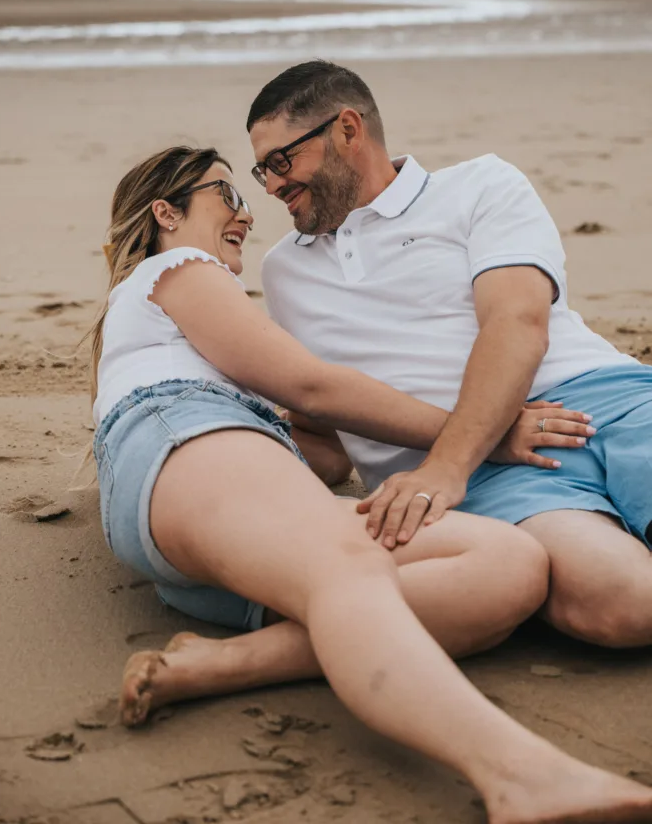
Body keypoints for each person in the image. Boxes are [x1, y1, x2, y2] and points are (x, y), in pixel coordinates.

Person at [91, 145, 652, 822]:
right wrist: (477, 431)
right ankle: (520, 777)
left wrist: (326, 435)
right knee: (349, 572)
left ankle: (227, 661)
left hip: (202, 494)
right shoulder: (182, 267)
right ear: (165, 213)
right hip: (190, 437)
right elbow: (310, 385)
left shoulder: (168, 321)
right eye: (226, 195)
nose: (245, 212)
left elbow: (319, 454)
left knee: (505, 565)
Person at [247, 59, 652, 651]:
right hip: (482, 474)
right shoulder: (284, 273)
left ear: (348, 130)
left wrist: (447, 467)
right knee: (625, 603)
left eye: (282, 162)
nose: (273, 186)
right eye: (262, 172)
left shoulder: (481, 185)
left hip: (604, 399)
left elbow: (516, 321)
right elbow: (325, 435)